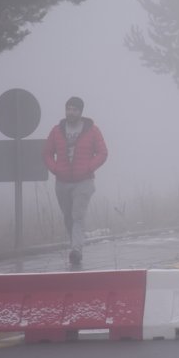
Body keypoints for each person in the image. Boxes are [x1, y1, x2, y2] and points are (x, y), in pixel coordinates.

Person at [43, 97, 108, 265]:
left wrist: (89, 167)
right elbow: (47, 153)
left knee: (77, 216)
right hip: (62, 181)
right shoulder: (57, 131)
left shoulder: (92, 130)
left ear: (80, 112)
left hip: (84, 181)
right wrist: (55, 168)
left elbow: (102, 153)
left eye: (74, 109)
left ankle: (76, 250)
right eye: (68, 109)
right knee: (68, 217)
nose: (70, 112)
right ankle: (75, 245)